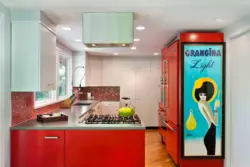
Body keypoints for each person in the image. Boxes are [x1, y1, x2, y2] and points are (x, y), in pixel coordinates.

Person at [194, 81, 220, 155]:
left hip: (209, 134)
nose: (202, 96)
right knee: (211, 156)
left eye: (204, 94)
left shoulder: (200, 103)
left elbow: (213, 122)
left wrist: (215, 108)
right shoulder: (204, 103)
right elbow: (215, 122)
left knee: (210, 155)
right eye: (200, 94)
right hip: (210, 134)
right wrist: (215, 109)